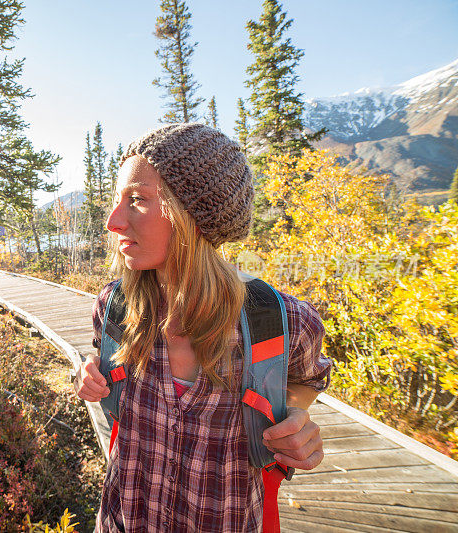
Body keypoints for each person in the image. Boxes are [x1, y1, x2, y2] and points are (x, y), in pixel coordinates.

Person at [73, 123, 331, 532]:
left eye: (137, 200)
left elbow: (309, 378)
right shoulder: (115, 308)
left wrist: (294, 420)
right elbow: (101, 359)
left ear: (194, 214)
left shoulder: (280, 321)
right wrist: (93, 371)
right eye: (117, 199)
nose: (113, 221)